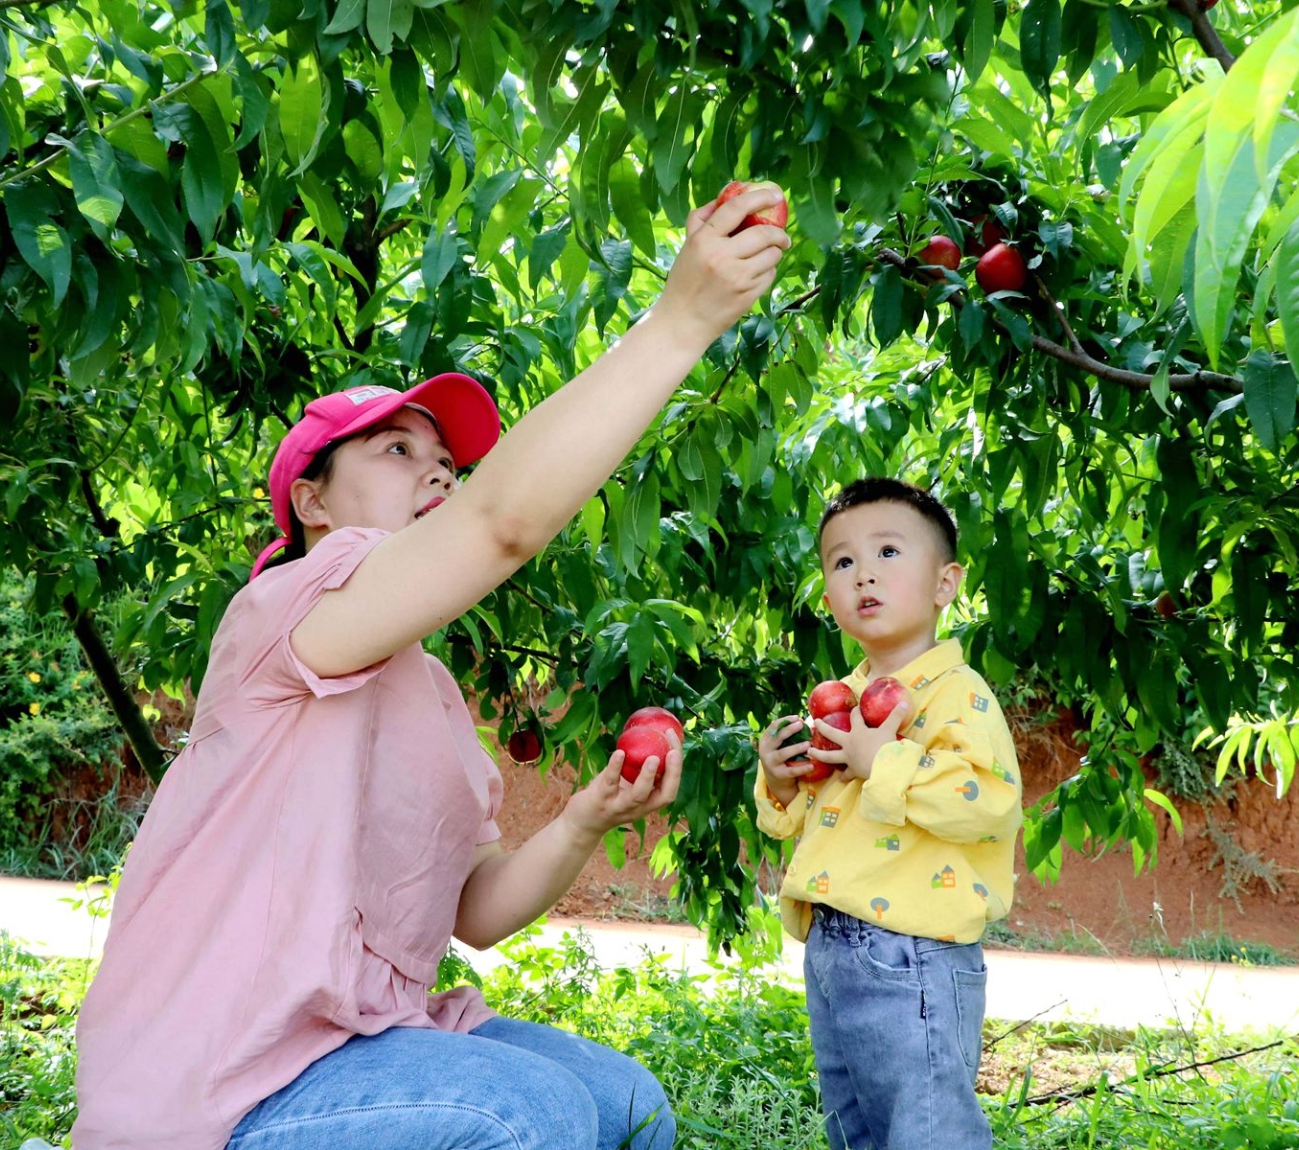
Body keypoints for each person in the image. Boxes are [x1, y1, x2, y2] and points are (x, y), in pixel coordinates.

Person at [71, 186, 791, 1150]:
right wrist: (682, 318)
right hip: (225, 1076)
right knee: (526, 1117)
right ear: (313, 502)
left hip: (365, 1040)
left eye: (447, 462)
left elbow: (476, 912)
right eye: (399, 448)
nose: (438, 473)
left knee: (631, 1107)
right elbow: (501, 524)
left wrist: (588, 818)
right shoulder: (290, 605)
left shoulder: (432, 690)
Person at [754, 478, 1024, 1149]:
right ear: (828, 597)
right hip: (834, 947)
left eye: (888, 553)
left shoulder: (960, 695)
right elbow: (818, 813)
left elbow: (988, 805)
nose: (864, 573)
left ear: (945, 583)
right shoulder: (839, 700)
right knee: (857, 1127)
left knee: (926, 1128)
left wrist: (886, 762)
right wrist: (781, 781)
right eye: (843, 562)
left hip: (915, 955)